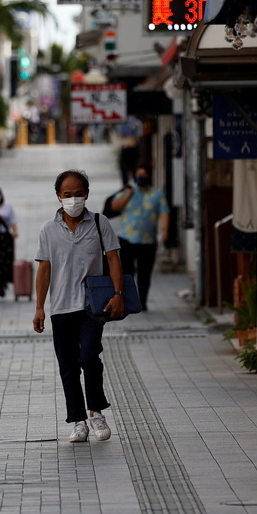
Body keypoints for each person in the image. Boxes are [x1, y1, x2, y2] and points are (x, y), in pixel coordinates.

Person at [33, 169, 125, 443]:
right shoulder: (48, 230)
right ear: (58, 196)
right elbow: (44, 269)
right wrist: (40, 307)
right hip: (61, 307)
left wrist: (118, 293)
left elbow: (113, 259)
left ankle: (96, 412)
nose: (73, 199)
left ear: (86, 194)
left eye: (78, 193)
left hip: (92, 306)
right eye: (67, 194)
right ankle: (78, 421)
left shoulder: (99, 223)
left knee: (89, 357)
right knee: (68, 366)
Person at [111, 165, 169, 311]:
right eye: (139, 174)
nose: (141, 177)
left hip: (147, 241)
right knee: (127, 273)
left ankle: (142, 301)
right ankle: (127, 301)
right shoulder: (127, 191)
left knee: (145, 273)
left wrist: (165, 231)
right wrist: (128, 195)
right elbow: (114, 207)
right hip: (127, 238)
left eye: (144, 174)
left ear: (149, 176)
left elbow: (164, 212)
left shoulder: (157, 195)